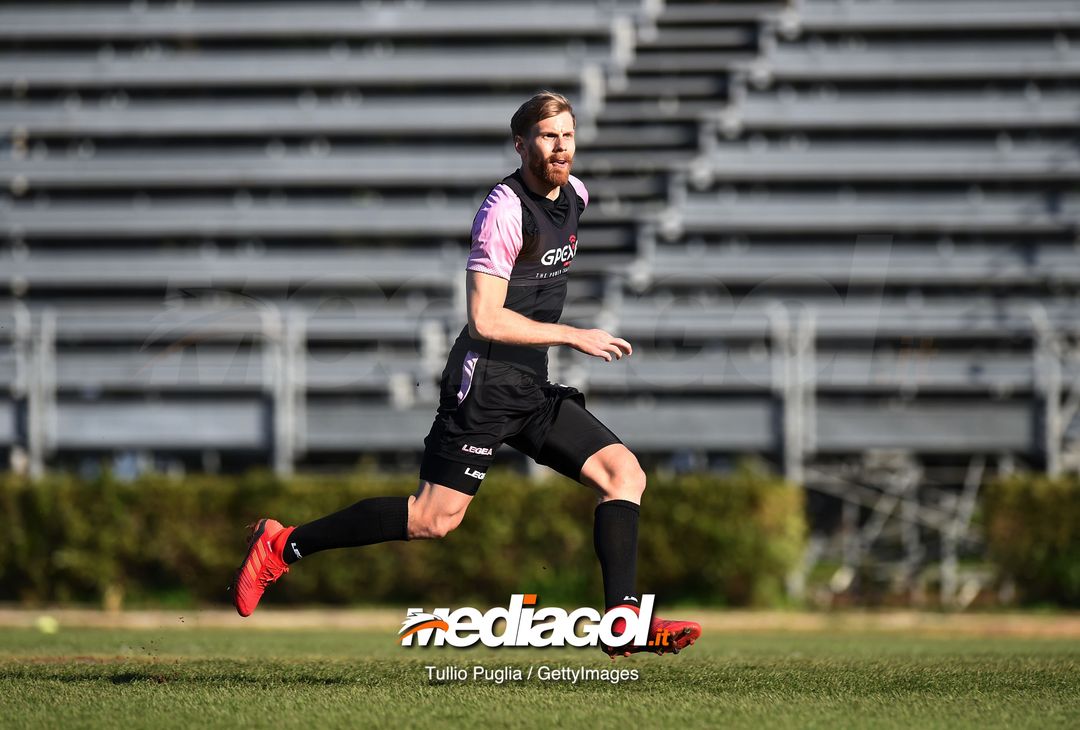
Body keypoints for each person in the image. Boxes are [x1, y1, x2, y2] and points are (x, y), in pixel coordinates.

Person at [231, 91, 701, 657]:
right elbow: (483, 319)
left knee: (623, 474)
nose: (560, 147)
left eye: (568, 136)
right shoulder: (503, 210)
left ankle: (623, 621)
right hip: (482, 386)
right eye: (548, 136)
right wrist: (576, 334)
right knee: (432, 519)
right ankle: (282, 546)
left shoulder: (575, 196)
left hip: (529, 386)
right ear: (521, 143)